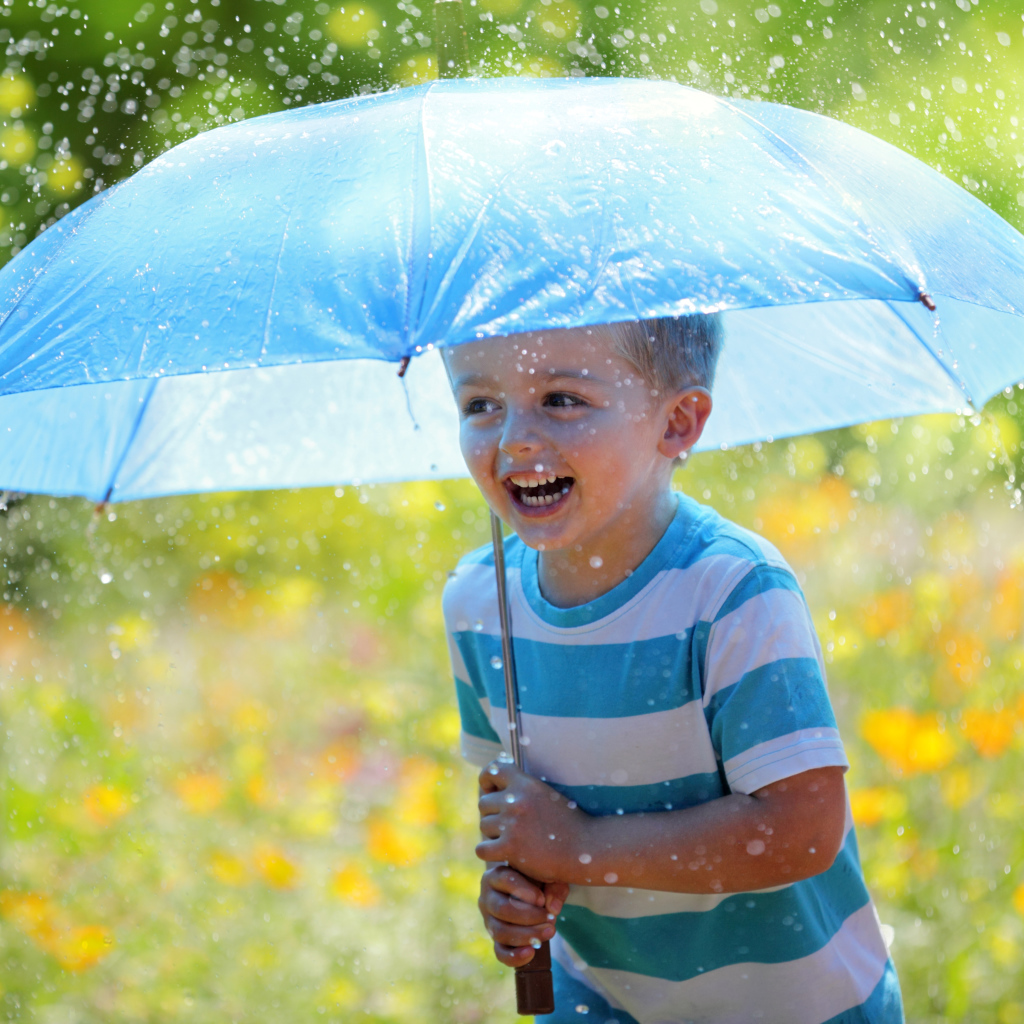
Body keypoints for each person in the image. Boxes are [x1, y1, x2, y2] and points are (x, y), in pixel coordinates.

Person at [441, 316, 903, 1023]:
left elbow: (802, 829)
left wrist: (581, 847)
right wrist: (518, 886)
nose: (514, 440)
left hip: (790, 1005)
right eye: (481, 404)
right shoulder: (480, 600)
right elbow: (518, 810)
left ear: (677, 422)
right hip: (603, 998)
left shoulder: (731, 591)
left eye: (561, 399)